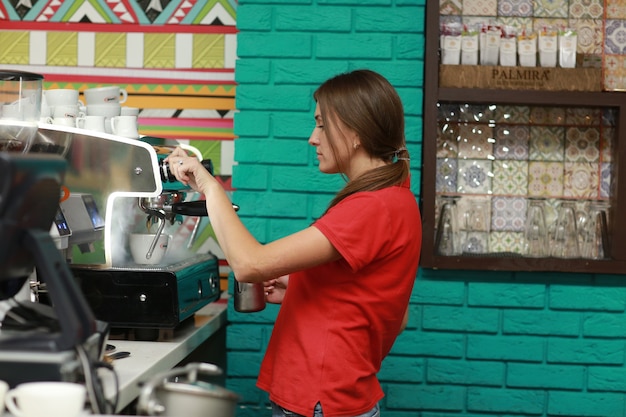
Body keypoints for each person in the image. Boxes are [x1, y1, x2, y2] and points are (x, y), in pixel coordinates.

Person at [165, 69, 422, 417]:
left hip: (321, 397)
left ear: (355, 132)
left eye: (320, 124)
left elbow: (249, 264)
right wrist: (300, 288)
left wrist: (210, 187)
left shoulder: (371, 206)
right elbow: (391, 310)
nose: (312, 138)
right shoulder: (396, 199)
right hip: (333, 394)